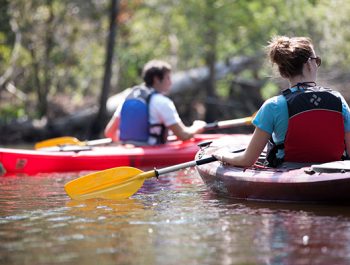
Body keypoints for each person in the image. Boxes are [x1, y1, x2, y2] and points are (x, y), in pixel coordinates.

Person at [214, 36, 350, 167]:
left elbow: (247, 160)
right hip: (334, 172)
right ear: (309, 63)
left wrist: (222, 155)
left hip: (288, 174)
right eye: (317, 61)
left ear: (283, 72)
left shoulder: (273, 106)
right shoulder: (338, 100)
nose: (317, 64)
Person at [104, 59, 206, 145]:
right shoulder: (163, 102)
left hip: (127, 150)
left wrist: (129, 143)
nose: (170, 82)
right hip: (152, 155)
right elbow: (184, 135)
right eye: (168, 78)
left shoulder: (128, 98)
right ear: (157, 79)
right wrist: (197, 127)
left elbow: (109, 133)